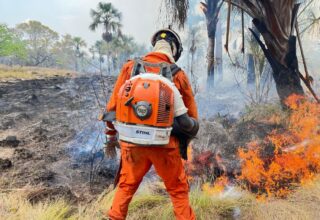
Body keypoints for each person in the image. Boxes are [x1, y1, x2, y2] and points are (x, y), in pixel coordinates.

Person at [103, 28, 199, 220]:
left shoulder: (129, 68)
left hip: (132, 144)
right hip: (165, 145)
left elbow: (113, 108)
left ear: (154, 45)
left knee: (126, 186)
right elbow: (191, 119)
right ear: (174, 50)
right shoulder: (178, 74)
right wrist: (184, 143)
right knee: (178, 191)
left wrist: (111, 137)